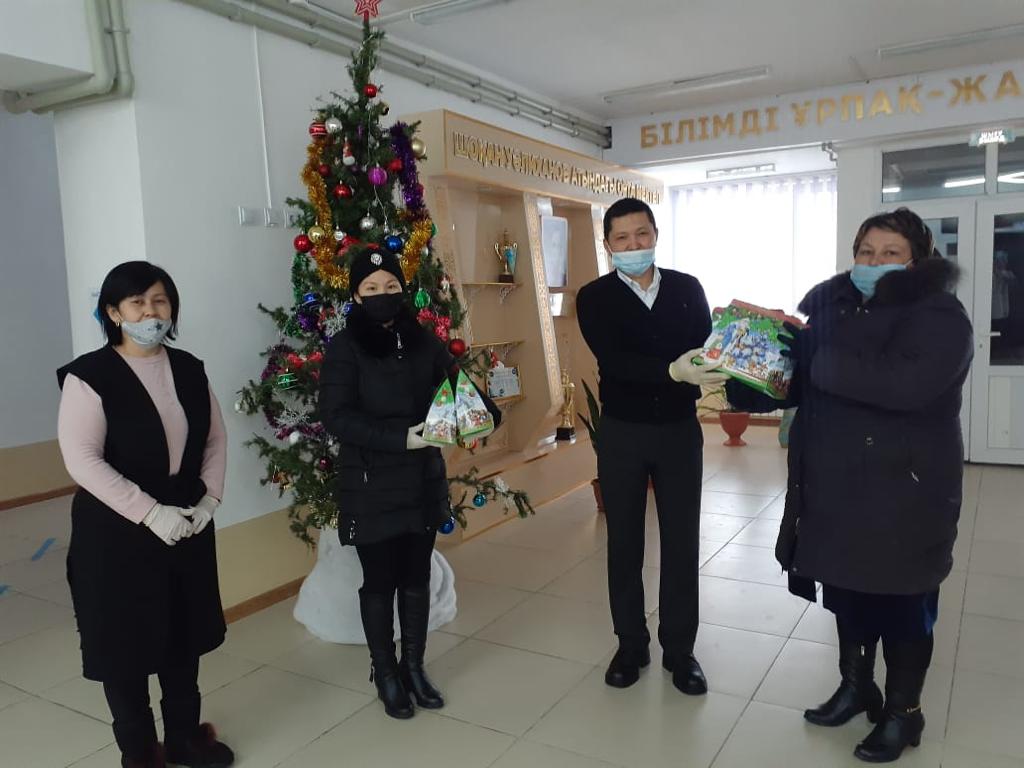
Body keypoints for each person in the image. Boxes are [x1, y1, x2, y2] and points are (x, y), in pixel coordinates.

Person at [726, 208, 973, 763]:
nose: (874, 262)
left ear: (917, 260)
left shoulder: (941, 316)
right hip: (835, 484)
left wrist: (816, 356)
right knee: (848, 592)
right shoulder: (833, 307)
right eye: (866, 252)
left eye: (890, 253)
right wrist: (747, 372)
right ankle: (857, 686)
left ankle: (904, 712)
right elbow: (799, 381)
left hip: (905, 490)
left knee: (905, 604)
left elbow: (905, 386)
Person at [56, 262, 234, 768]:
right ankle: (139, 753)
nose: (150, 312)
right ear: (113, 313)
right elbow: (82, 460)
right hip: (116, 531)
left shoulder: (190, 368)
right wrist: (151, 513)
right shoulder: (89, 376)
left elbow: (215, 438)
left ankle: (184, 739)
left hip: (186, 520)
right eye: (136, 303)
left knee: (182, 636)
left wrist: (209, 499)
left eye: (159, 300)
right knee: (124, 647)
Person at [318, 246, 500, 719]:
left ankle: (414, 667)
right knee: (380, 581)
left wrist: (483, 414)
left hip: (422, 480)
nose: (382, 294)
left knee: (417, 576)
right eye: (371, 288)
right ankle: (385, 672)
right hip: (370, 483)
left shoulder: (424, 342)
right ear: (356, 296)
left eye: (391, 286)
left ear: (403, 290)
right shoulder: (344, 348)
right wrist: (401, 438)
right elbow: (336, 417)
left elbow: (458, 387)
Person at [576, 197, 727, 695]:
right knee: (624, 542)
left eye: (641, 234)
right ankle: (630, 644)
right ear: (608, 245)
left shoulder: (687, 288)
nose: (633, 245)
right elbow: (614, 360)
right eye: (621, 238)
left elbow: (704, 348)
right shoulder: (594, 298)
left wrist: (720, 358)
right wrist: (671, 369)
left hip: (679, 431)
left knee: (682, 541)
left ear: (656, 234)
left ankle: (680, 651)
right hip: (623, 431)